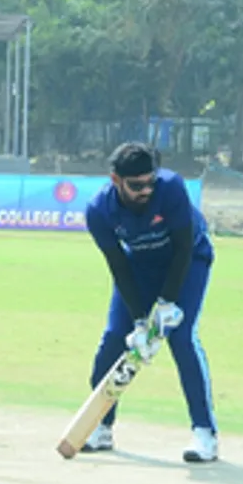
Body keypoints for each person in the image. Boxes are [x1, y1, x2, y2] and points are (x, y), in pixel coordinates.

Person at [81, 141, 219, 462]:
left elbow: (184, 248)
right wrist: (140, 321)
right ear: (115, 180)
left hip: (188, 263)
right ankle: (101, 427)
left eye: (149, 182)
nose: (145, 191)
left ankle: (205, 434)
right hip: (138, 268)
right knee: (114, 339)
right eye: (136, 185)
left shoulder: (170, 188)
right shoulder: (99, 210)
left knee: (182, 338)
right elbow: (118, 265)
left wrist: (168, 305)